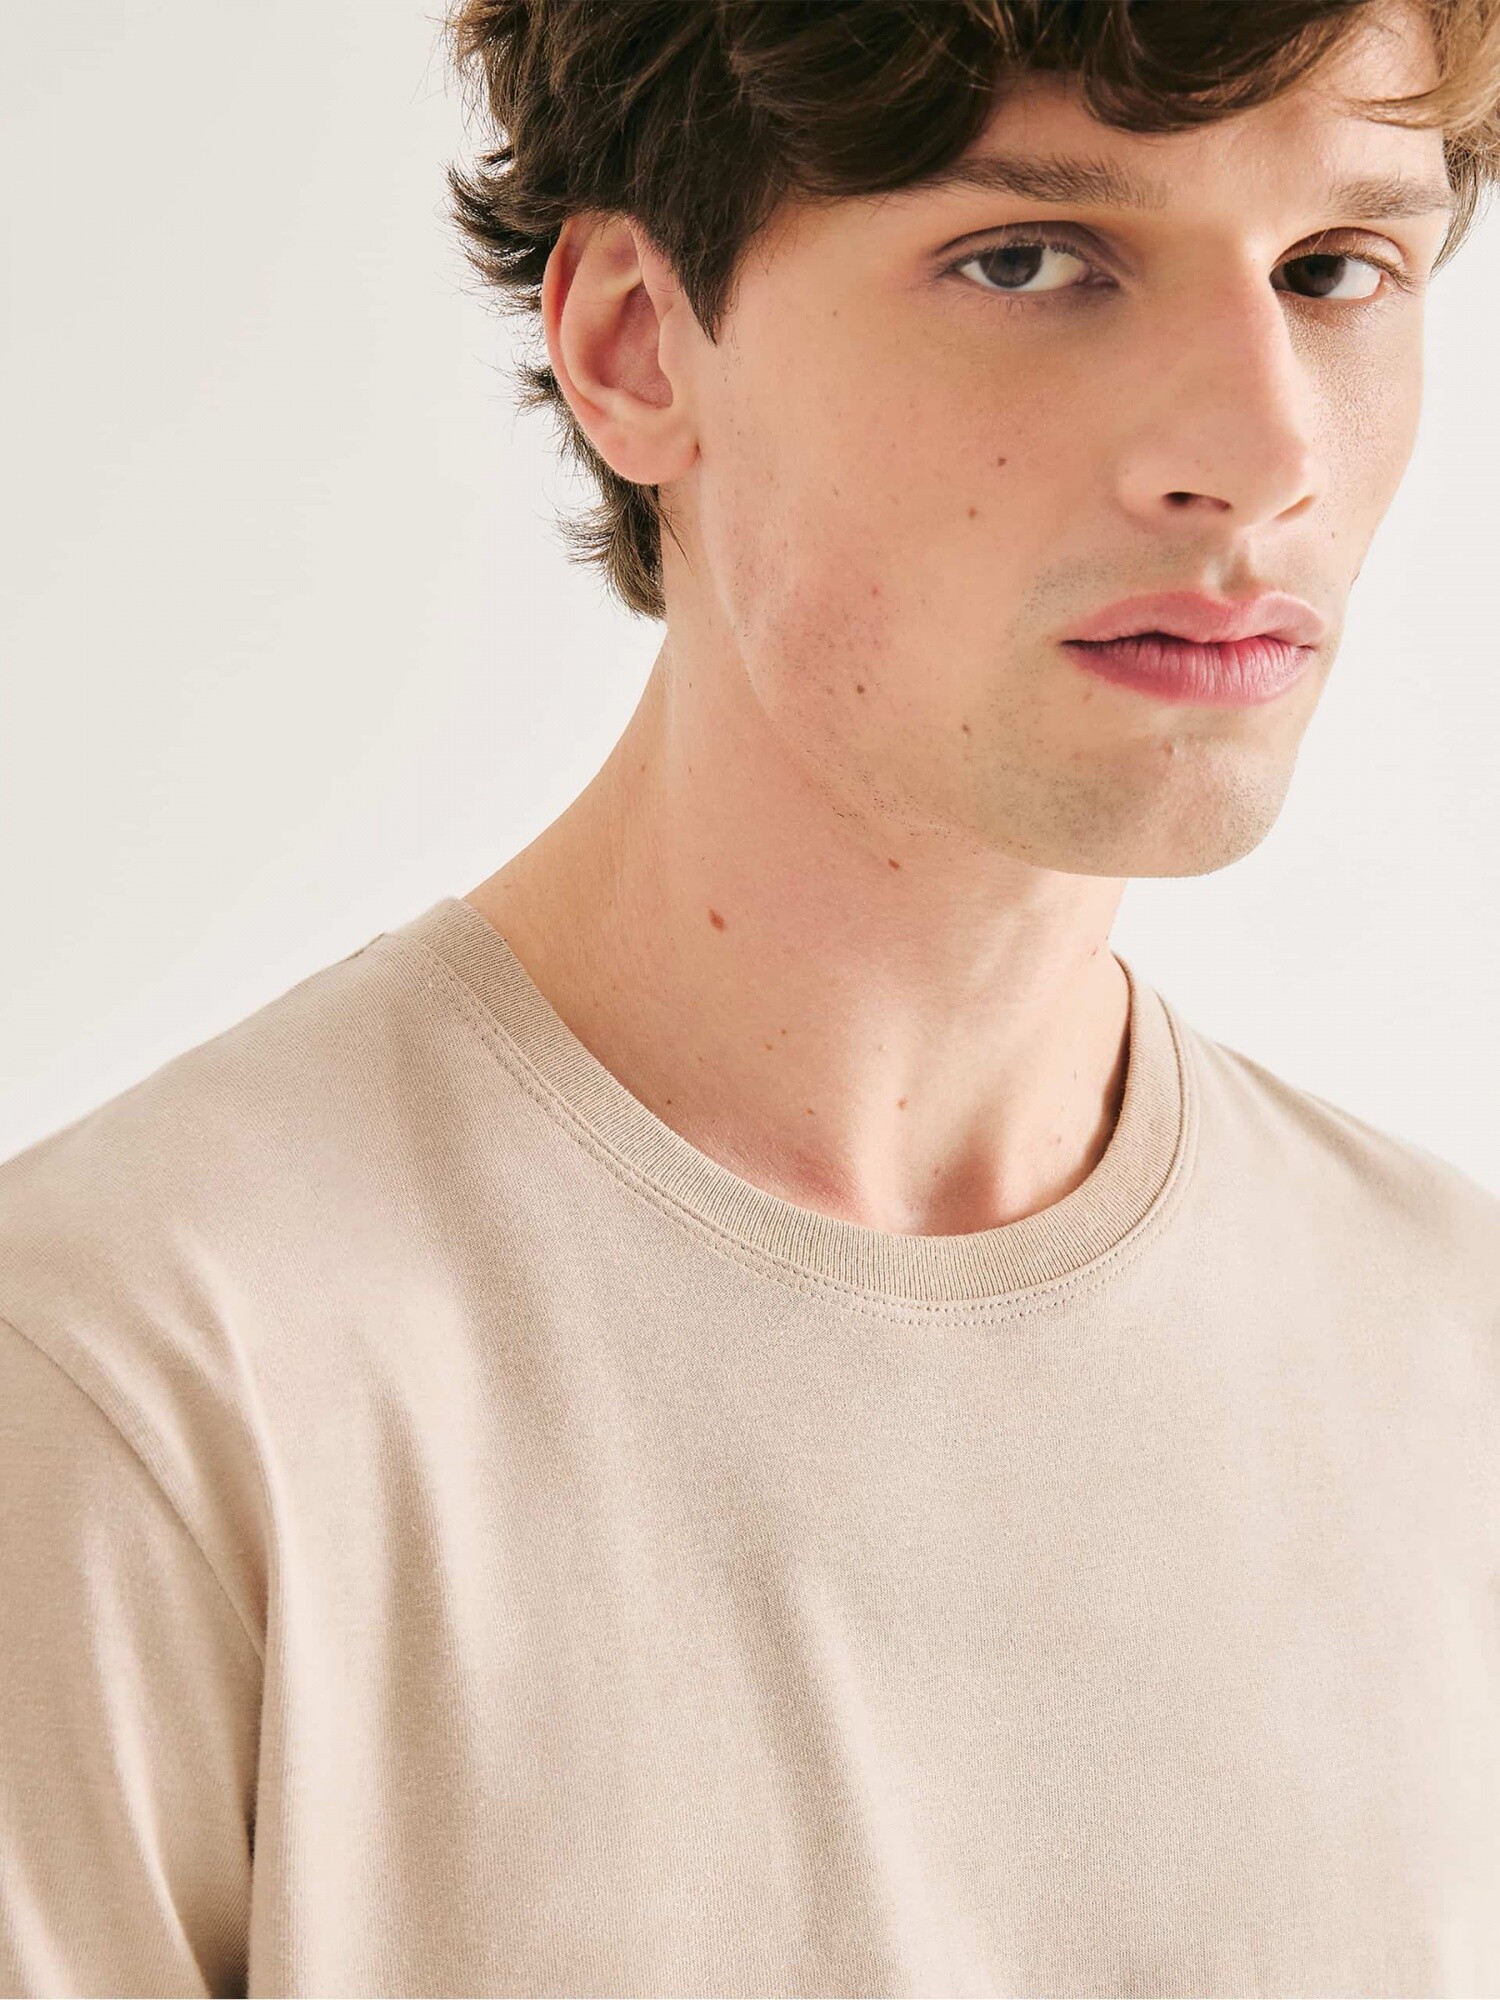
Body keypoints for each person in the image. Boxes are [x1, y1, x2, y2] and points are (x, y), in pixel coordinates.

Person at [2, 1, 1498, 1993]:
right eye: (1029, 261)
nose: (1264, 458)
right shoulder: (131, 1390)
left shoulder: (1458, 1366)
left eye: (1337, 270)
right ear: (636, 344)